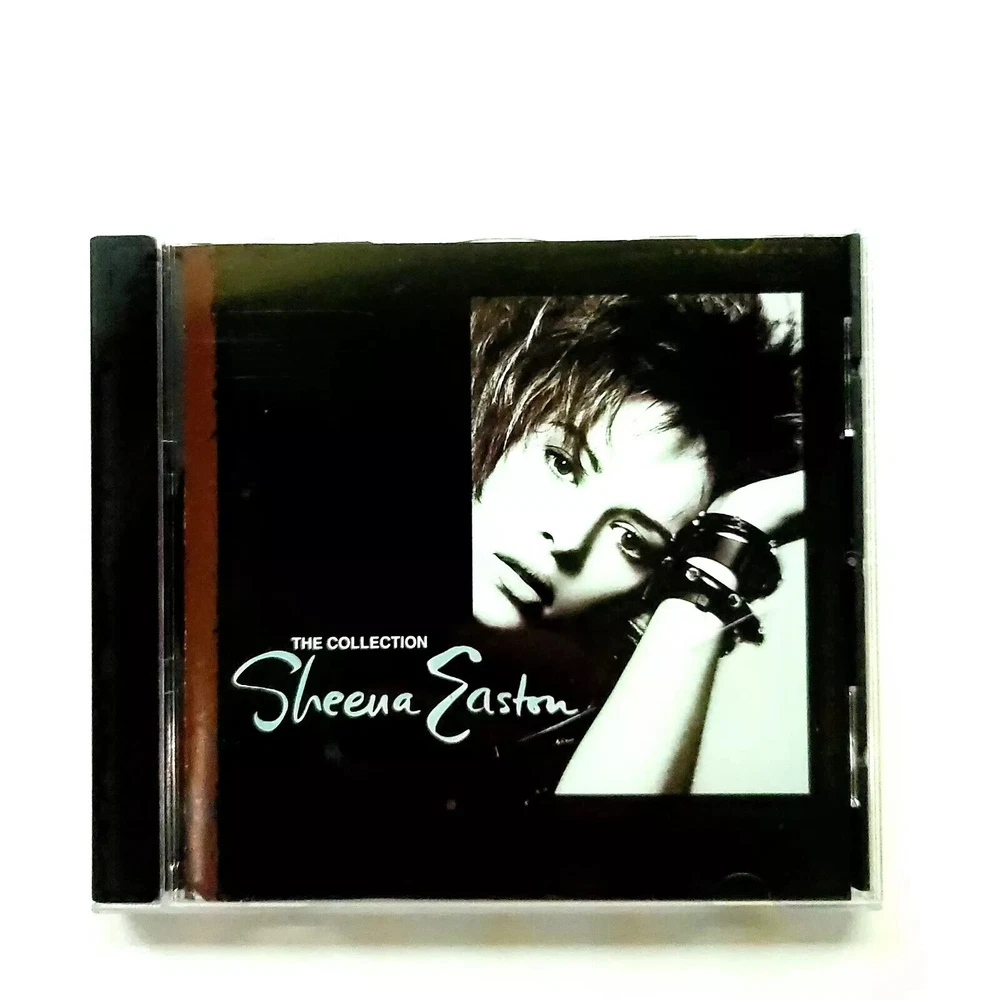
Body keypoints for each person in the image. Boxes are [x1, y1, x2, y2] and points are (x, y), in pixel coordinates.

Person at [470, 294, 805, 795]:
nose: (567, 540)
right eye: (562, 464)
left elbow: (606, 836)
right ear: (493, 414)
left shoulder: (570, 723)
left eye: (631, 539)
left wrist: (733, 534)